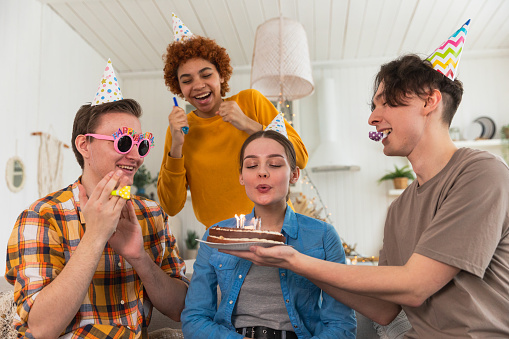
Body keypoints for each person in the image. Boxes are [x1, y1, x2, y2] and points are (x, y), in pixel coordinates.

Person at [225, 53, 509, 338]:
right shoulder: (400, 208)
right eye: (374, 106)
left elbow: (416, 285)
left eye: (386, 102)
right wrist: (300, 264)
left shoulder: (481, 173)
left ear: (429, 101)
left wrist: (295, 260)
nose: (373, 117)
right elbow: (385, 310)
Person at [5, 64, 189, 338]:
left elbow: (182, 309)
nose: (136, 157)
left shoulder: (152, 215)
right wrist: (95, 237)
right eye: (124, 143)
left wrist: (139, 258)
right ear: (84, 145)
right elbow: (41, 329)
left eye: (141, 145)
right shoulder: (42, 216)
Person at [181, 130, 356, 339]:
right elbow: (194, 319)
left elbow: (341, 327)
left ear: (294, 175)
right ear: (241, 177)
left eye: (274, 164)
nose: (262, 172)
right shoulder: (217, 236)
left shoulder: (323, 236)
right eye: (252, 165)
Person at [158, 14, 308, 228]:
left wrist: (248, 125)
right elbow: (171, 206)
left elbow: (300, 158)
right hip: (222, 245)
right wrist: (176, 145)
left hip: (276, 231)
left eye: (206, 74)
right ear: (179, 88)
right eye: (187, 80)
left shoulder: (251, 101)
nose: (198, 85)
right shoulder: (179, 131)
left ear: (221, 75)